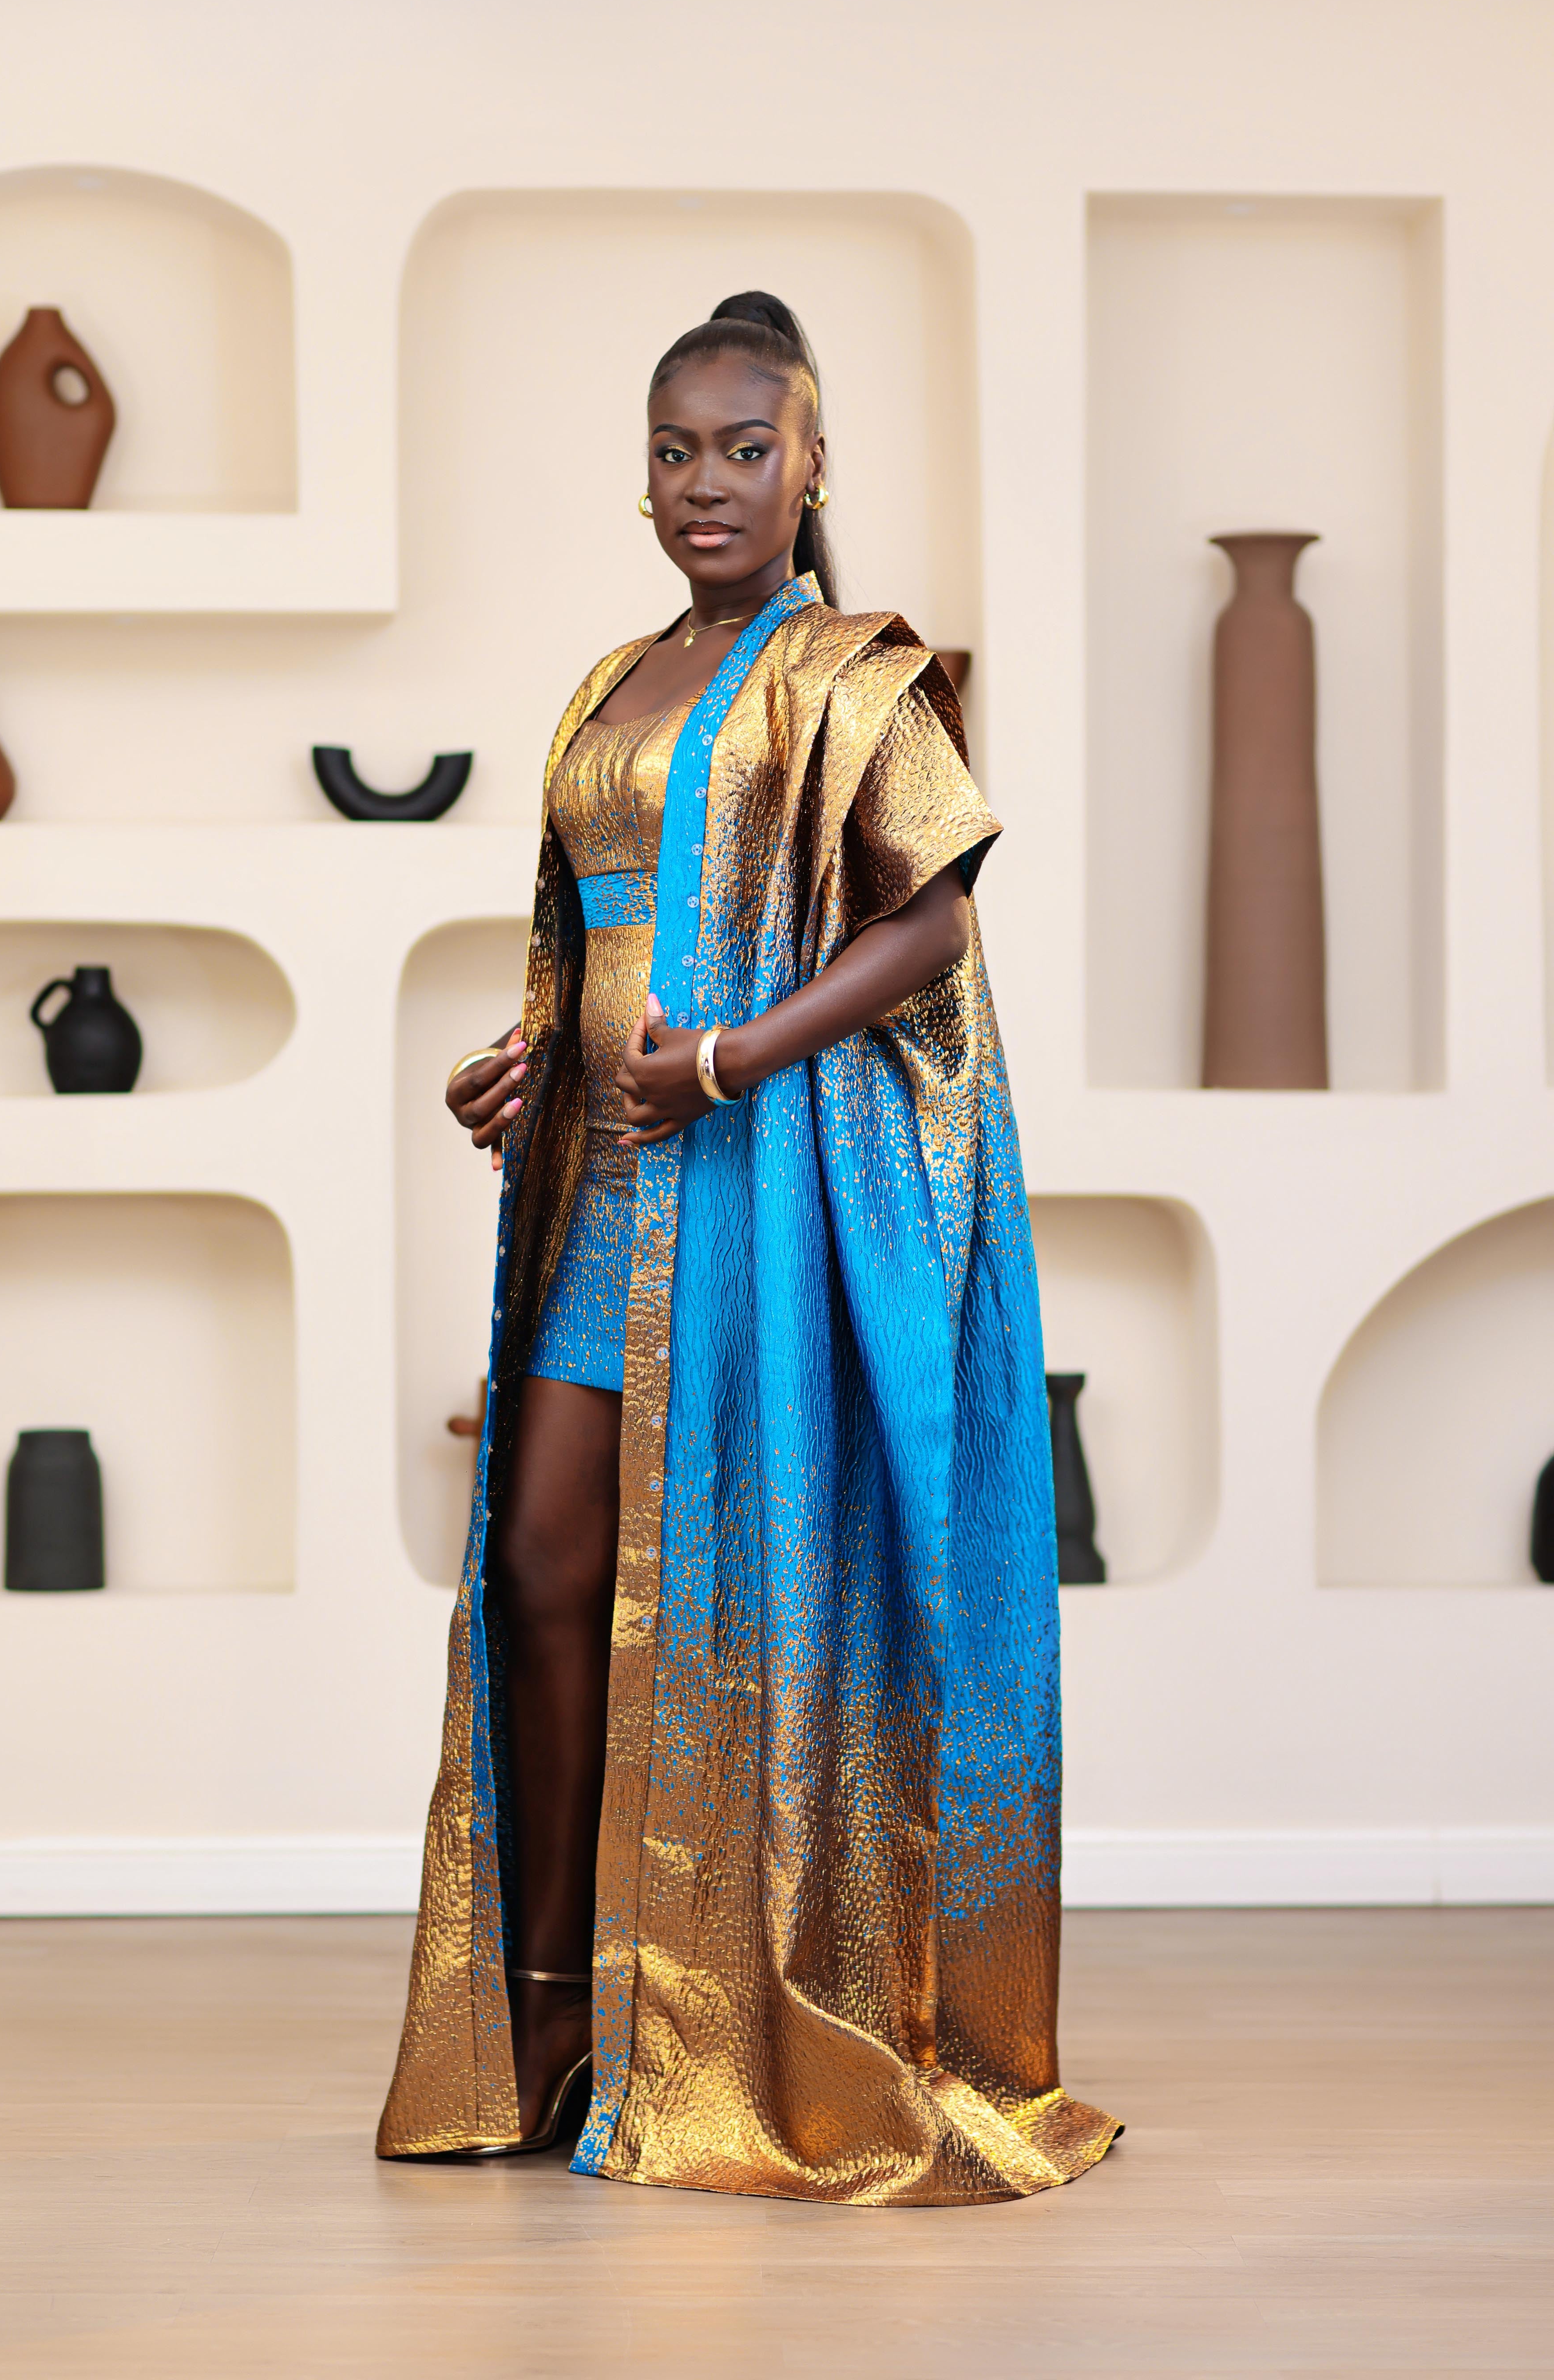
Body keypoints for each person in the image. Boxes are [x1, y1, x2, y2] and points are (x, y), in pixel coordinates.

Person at [377, 292, 1119, 2206]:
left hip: (749, 1181)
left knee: (730, 1598)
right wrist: (534, 1063)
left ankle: (715, 2026)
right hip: (600, 1173)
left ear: (809, 464)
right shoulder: (611, 678)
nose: (704, 485)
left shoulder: (851, 675)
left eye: (742, 450)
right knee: (541, 1564)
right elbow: (606, 927)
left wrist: (723, 1059)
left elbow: (928, 925)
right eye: (672, 453)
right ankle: (549, 2025)